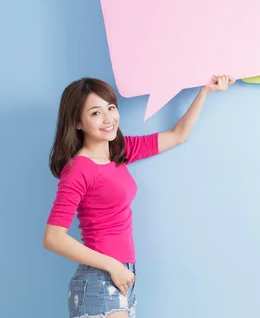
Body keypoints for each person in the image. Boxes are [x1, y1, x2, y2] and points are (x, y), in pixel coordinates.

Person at [43, 75, 234, 318]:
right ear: (77, 123)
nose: (108, 118)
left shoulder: (119, 152)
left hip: (120, 276)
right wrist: (112, 266)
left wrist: (205, 91)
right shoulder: (79, 168)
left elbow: (177, 135)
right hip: (102, 277)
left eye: (110, 108)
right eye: (95, 113)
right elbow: (53, 237)